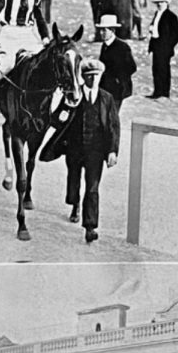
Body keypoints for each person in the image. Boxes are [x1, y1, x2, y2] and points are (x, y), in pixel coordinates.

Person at [41, 59, 119, 245]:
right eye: (89, 76)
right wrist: (62, 115)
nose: (93, 80)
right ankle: (75, 204)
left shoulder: (106, 98)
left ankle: (90, 227)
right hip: (74, 149)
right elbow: (55, 119)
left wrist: (112, 151)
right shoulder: (73, 97)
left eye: (97, 76)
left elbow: (114, 127)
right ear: (83, 77)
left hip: (96, 151)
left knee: (92, 188)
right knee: (74, 180)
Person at [98, 13, 137, 111]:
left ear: (112, 31)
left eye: (104, 30)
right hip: (105, 87)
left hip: (117, 89)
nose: (101, 33)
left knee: (112, 116)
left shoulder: (122, 47)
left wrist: (118, 79)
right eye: (100, 30)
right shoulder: (105, 46)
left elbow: (132, 67)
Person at [147, 0, 178, 99]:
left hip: (164, 47)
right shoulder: (157, 14)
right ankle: (157, 92)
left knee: (164, 70)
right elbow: (155, 26)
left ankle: (164, 93)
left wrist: (169, 45)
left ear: (167, 3)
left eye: (161, 2)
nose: (159, 4)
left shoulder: (171, 16)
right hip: (156, 45)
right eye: (158, 2)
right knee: (155, 69)